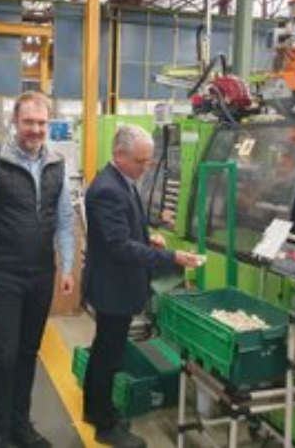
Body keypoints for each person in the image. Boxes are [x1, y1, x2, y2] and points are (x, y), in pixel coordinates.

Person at [82, 124, 201, 448]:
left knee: (106, 352)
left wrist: (148, 238)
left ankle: (96, 410)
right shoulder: (107, 189)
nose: (146, 167)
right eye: (140, 161)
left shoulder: (122, 181)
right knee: (107, 355)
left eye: (148, 160)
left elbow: (126, 229)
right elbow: (119, 246)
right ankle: (105, 425)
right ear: (119, 155)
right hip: (112, 288)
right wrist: (172, 257)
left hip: (117, 285)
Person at [0, 90, 75, 448]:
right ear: (15, 121)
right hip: (2, 275)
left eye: (42, 122)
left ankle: (20, 425)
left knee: (29, 353)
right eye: (29, 121)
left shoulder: (57, 164)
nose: (36, 129)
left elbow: (64, 219)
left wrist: (67, 267)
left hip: (41, 274)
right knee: (5, 356)